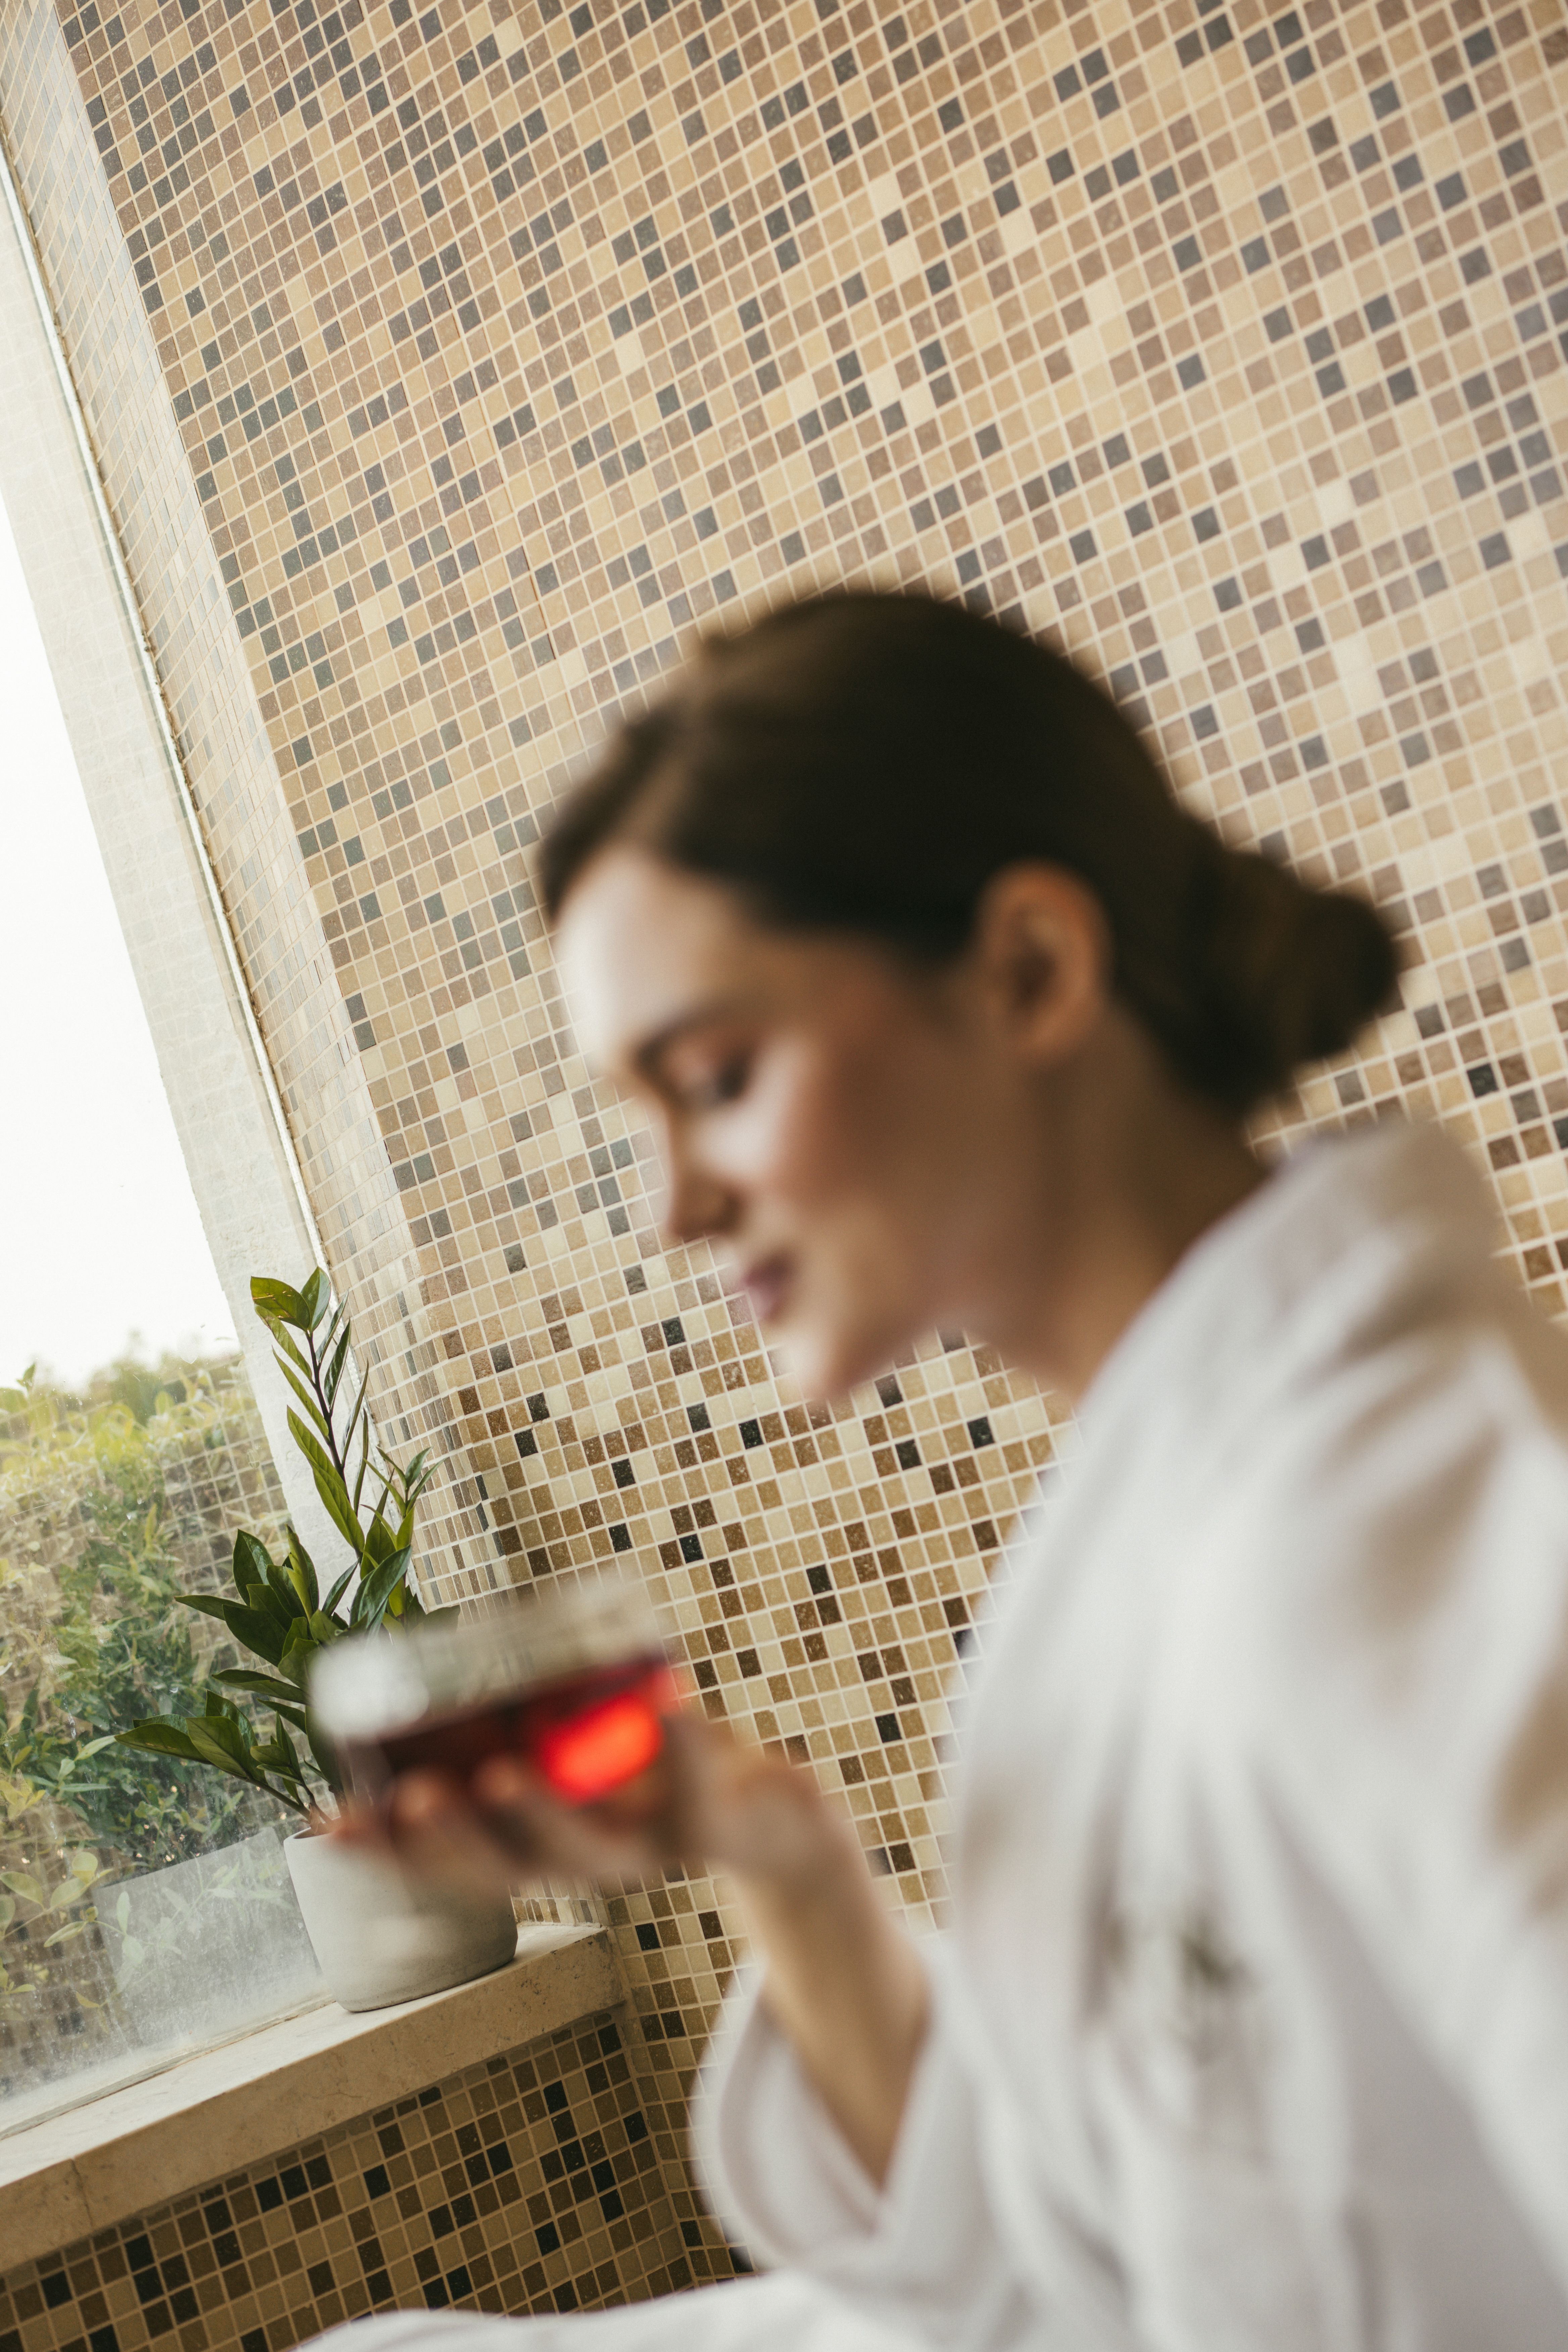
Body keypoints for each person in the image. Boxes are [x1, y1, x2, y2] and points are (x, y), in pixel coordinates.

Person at [323, 594, 1568, 2350]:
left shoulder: (1403, 1524)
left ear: (1031, 974)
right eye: (640, 1116)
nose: (670, 1206)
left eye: (719, 1076)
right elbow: (1057, 2277)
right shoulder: (1185, 1518)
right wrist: (776, 1856)